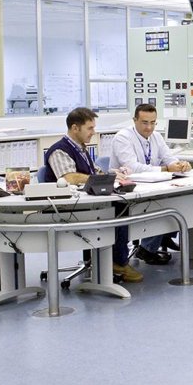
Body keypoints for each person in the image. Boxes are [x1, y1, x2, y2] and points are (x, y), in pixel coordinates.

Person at [44, 107, 141, 283]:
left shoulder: (81, 149)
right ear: (75, 128)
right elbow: (69, 177)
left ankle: (112, 258)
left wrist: (112, 174)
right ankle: (118, 262)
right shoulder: (59, 150)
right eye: (90, 128)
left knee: (121, 202)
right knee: (118, 207)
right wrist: (96, 177)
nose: (93, 132)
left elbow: (93, 172)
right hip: (66, 209)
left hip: (86, 202)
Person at [110, 103, 191, 265]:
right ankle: (147, 248)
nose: (149, 127)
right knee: (160, 204)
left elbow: (169, 158)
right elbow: (132, 167)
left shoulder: (156, 137)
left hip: (150, 187)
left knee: (177, 197)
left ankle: (162, 236)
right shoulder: (123, 138)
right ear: (134, 120)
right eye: (144, 122)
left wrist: (180, 165)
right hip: (127, 191)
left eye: (153, 123)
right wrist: (165, 169)